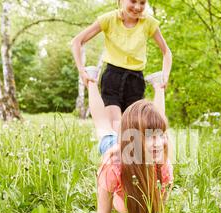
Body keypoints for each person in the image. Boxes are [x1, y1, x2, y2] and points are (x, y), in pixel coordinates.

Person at [85, 66, 173, 213]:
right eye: (151, 137)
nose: (159, 142)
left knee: (152, 122)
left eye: (161, 135)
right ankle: (91, 81)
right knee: (104, 126)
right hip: (119, 150)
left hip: (135, 151)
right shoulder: (113, 168)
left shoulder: (162, 165)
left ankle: (159, 85)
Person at [71, 0, 172, 134]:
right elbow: (77, 42)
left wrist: (165, 75)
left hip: (136, 81)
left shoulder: (149, 23)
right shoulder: (109, 19)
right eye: (133, 1)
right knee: (116, 127)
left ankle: (133, 154)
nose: (137, 7)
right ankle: (113, 152)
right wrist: (82, 71)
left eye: (142, 3)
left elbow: (166, 51)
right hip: (112, 77)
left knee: (133, 131)